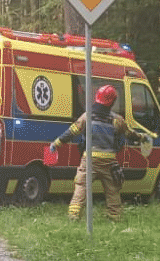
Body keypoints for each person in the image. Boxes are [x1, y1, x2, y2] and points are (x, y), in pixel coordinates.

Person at [52, 84, 143, 222]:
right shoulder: (117, 120)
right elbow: (129, 134)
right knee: (113, 191)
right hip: (109, 162)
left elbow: (71, 132)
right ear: (112, 102)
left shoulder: (87, 117)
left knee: (81, 188)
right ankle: (114, 218)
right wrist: (141, 137)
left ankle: (74, 216)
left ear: (97, 98)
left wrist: (56, 144)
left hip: (89, 160)